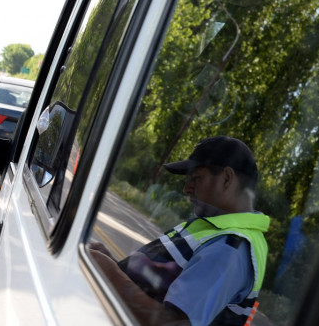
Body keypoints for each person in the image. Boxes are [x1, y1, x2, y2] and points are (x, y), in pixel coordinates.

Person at [90, 136, 270, 326]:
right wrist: (114, 265)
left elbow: (172, 322)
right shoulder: (214, 228)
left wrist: (109, 272)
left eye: (196, 178)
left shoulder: (229, 249)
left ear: (226, 179)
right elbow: (158, 286)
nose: (186, 189)